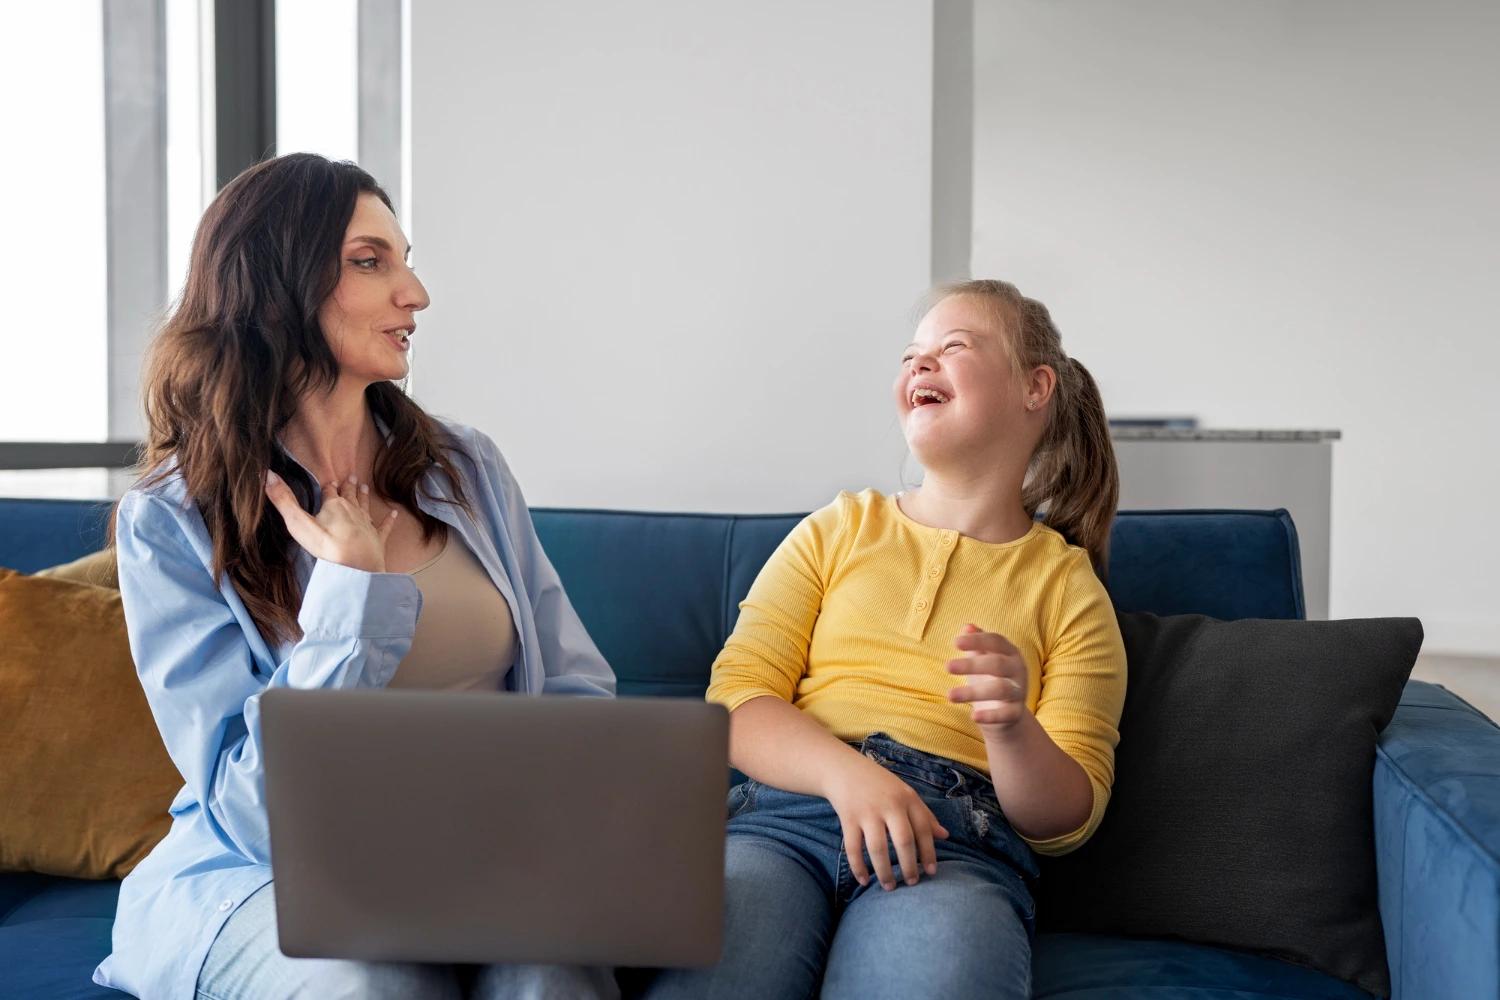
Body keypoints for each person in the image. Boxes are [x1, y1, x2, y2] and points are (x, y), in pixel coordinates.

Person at [92, 153, 618, 1000]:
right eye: (371, 262)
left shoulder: (468, 466)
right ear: (276, 284)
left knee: (553, 969)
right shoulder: (172, 514)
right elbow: (253, 810)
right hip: (267, 879)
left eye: (404, 260)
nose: (415, 293)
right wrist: (352, 601)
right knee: (373, 982)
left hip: (486, 857)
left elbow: (574, 687)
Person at [639, 279, 1128, 999]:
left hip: (954, 846)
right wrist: (850, 777)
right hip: (781, 822)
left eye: (952, 347)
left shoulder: (1070, 591)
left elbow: (1066, 819)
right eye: (910, 355)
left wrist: (1011, 726)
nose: (919, 365)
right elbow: (739, 699)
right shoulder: (836, 530)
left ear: (1036, 387)